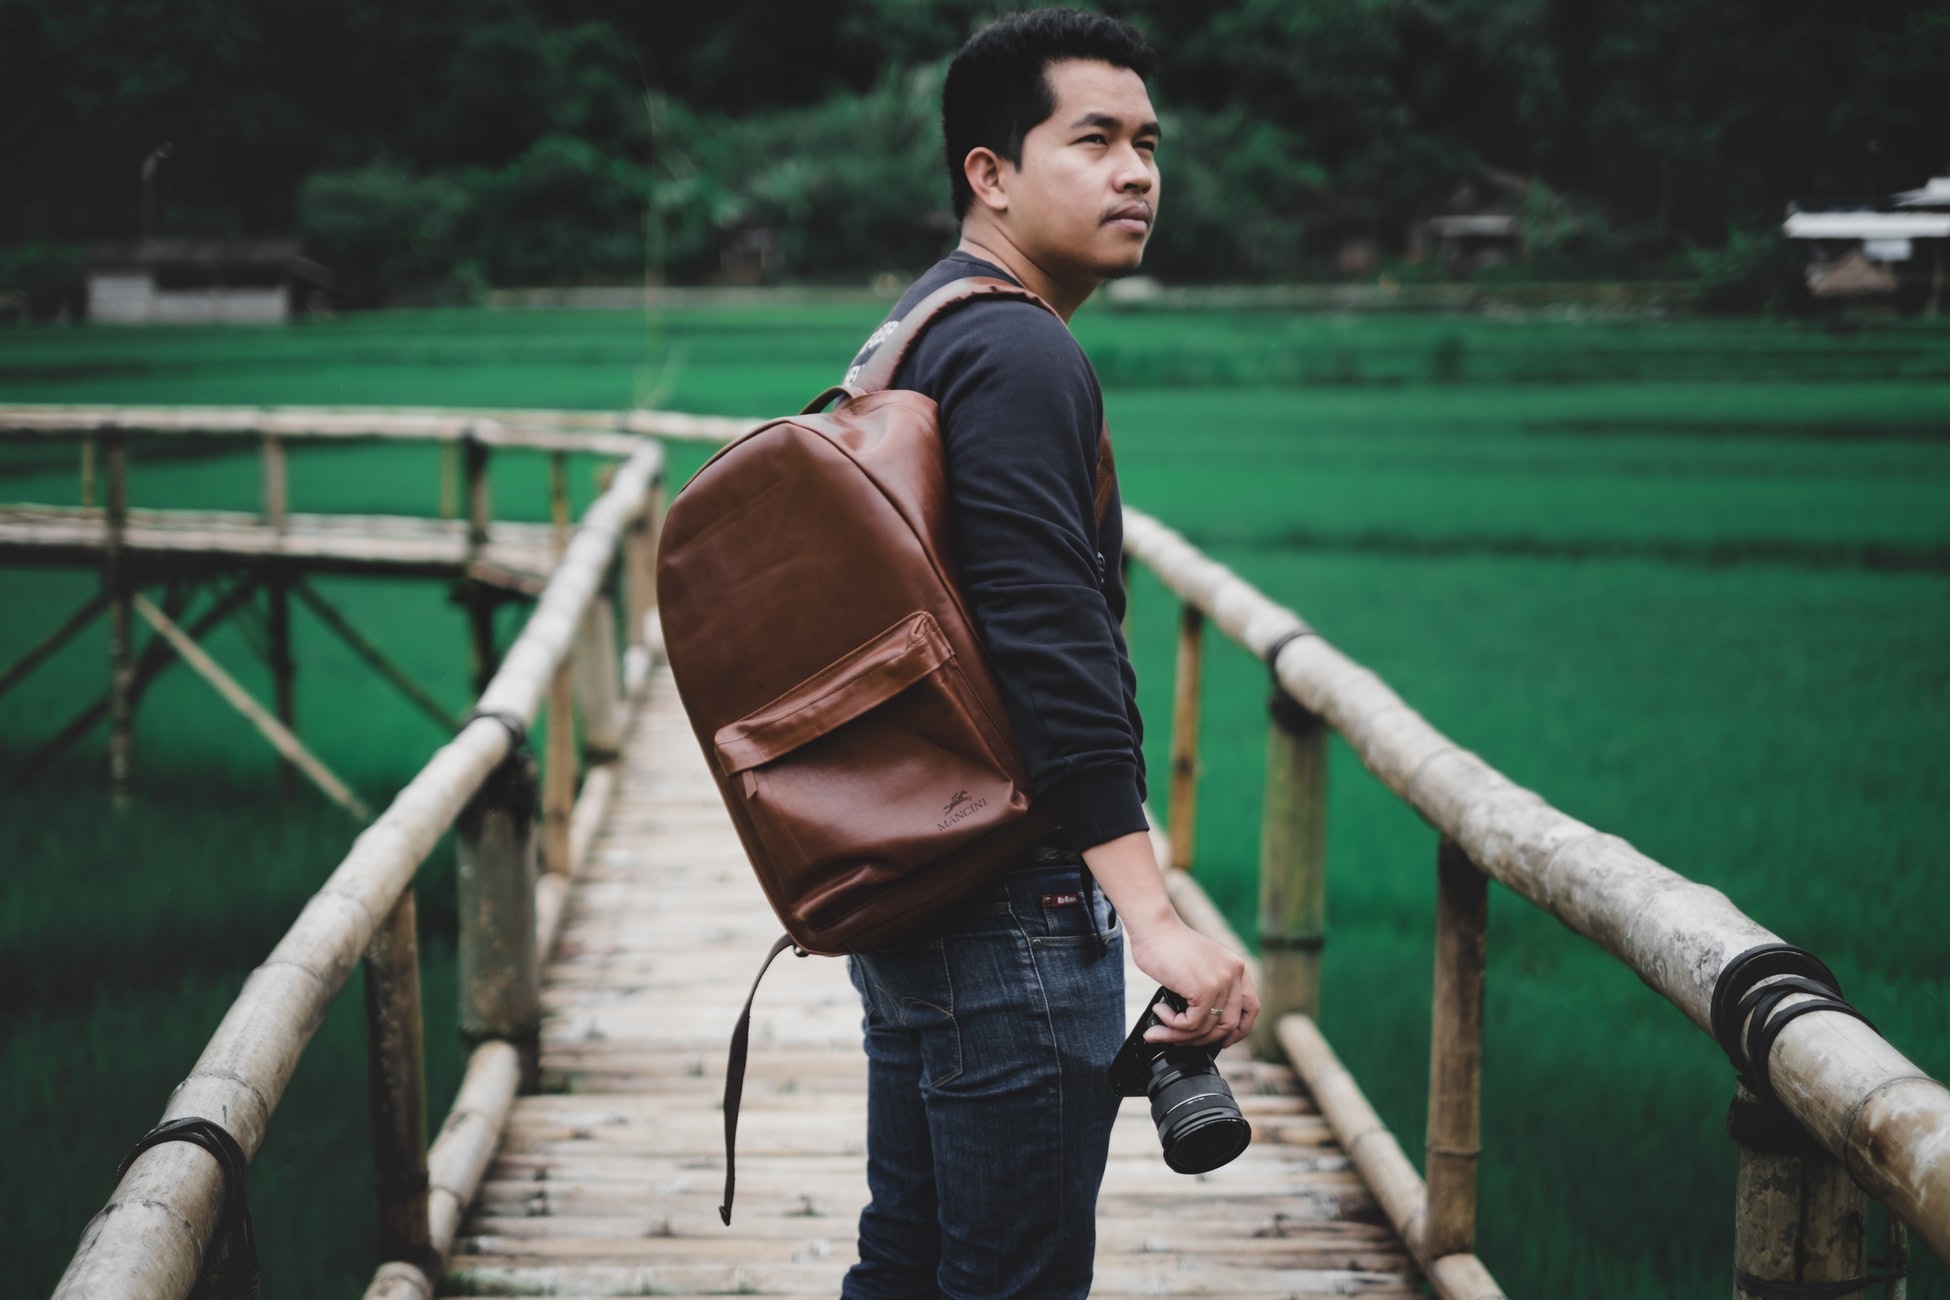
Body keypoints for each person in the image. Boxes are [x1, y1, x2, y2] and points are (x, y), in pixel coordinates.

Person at [836, 10, 1261, 1299]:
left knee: (906, 1268)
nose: (1137, 172)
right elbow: (1046, 631)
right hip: (1014, 908)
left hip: (925, 884)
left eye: (1148, 144)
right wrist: (1151, 914)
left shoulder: (923, 325)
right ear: (991, 171)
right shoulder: (1018, 346)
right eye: (1094, 139)